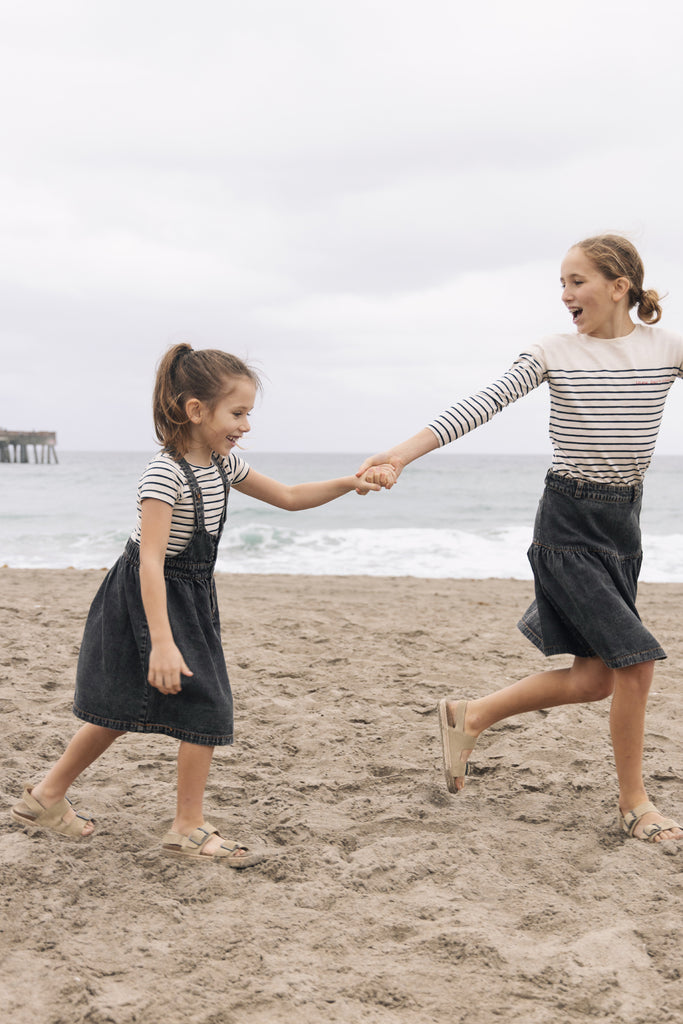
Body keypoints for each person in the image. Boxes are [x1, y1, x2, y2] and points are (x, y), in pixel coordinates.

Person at [11, 343, 394, 864]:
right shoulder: (163, 475)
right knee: (206, 705)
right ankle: (187, 826)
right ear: (196, 410)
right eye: (238, 413)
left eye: (248, 414)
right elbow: (149, 564)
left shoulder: (223, 462)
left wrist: (350, 483)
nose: (246, 425)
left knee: (120, 707)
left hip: (188, 592)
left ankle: (44, 799)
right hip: (148, 597)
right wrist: (162, 644)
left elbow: (288, 495)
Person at [359, 234, 683, 844]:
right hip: (566, 525)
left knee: (596, 679)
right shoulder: (553, 351)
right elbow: (479, 405)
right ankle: (635, 805)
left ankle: (469, 714)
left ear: (620, 286)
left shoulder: (667, 348)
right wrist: (400, 456)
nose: (566, 295)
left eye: (577, 281)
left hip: (623, 528)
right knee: (636, 663)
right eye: (562, 283)